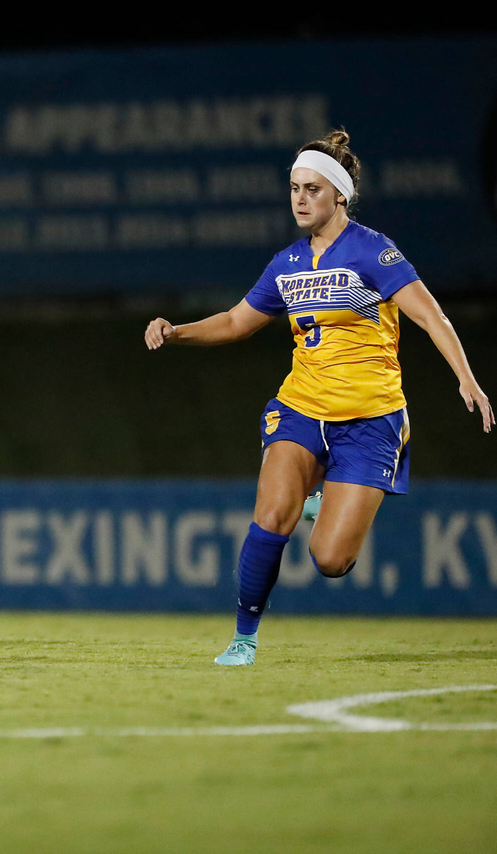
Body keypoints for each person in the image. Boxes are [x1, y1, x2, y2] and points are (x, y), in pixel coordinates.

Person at [144, 130, 492, 666]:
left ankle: (324, 497)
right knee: (272, 515)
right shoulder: (286, 263)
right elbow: (238, 321)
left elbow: (430, 316)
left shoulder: (374, 250)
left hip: (371, 419)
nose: (300, 199)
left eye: (312, 189)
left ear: (340, 196)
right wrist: (177, 331)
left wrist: (466, 377)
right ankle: (243, 638)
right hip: (301, 407)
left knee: (329, 559)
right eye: (293, 188)